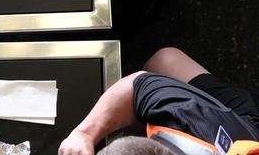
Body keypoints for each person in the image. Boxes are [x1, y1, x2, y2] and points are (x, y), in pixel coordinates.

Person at [58, 46, 259, 155]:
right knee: (166, 59)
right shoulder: (192, 116)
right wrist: (84, 133)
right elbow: (138, 85)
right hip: (242, 129)